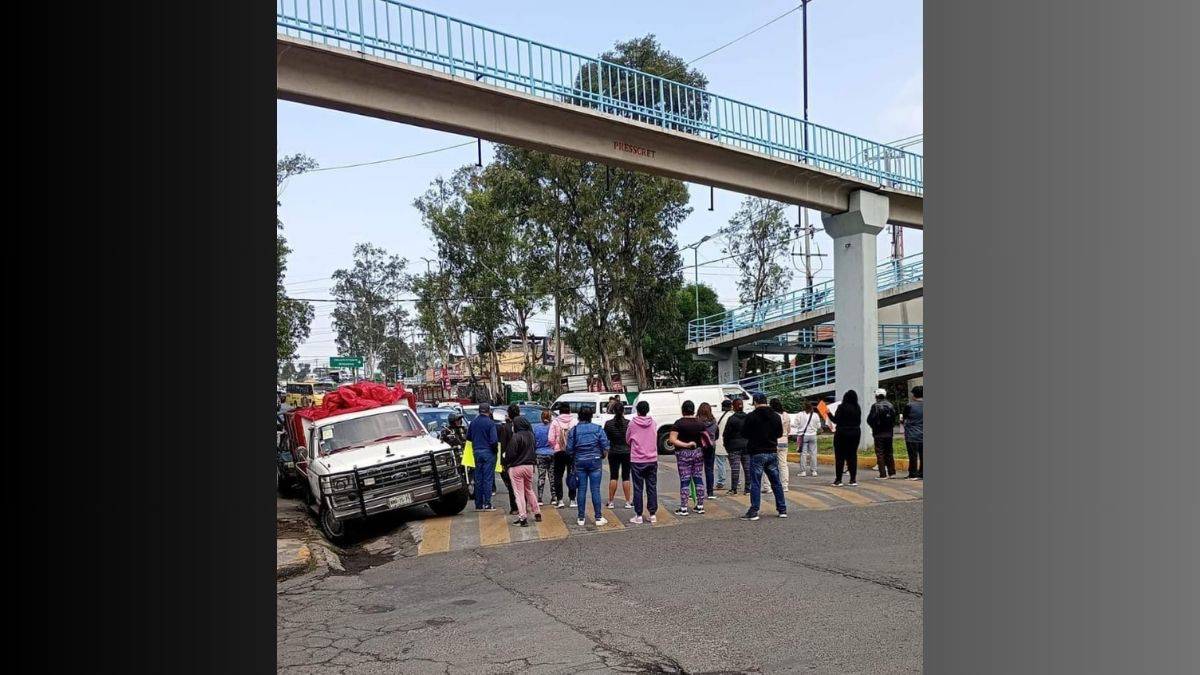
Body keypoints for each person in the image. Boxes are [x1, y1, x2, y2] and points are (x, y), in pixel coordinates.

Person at [738, 392, 787, 520]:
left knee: (755, 482)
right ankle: (782, 509)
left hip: (756, 452)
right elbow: (779, 433)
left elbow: (744, 433)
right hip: (771, 451)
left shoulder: (751, 416)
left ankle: (754, 511)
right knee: (776, 482)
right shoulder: (776, 416)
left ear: (755, 402)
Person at [567, 406, 609, 526]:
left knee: (581, 490)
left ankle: (581, 518)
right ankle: (598, 517)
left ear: (579, 416)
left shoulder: (573, 431)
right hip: (595, 461)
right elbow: (605, 446)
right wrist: (601, 455)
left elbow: (569, 450)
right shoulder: (597, 429)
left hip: (579, 462)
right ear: (591, 416)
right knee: (595, 489)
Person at [669, 400, 707, 516]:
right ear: (693, 410)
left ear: (683, 410)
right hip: (698, 453)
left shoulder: (679, 423)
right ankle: (700, 506)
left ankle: (684, 507)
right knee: (698, 478)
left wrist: (686, 444)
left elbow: (672, 440)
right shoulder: (700, 423)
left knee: (685, 480)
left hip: (683, 454)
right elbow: (705, 438)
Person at [503, 416, 541, 526]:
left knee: (519, 493)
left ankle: (522, 518)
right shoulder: (531, 435)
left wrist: (506, 462)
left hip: (516, 468)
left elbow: (510, 454)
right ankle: (537, 512)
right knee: (529, 490)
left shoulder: (516, 437)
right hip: (529, 466)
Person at [626, 400, 659, 524]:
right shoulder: (653, 423)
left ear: (638, 410)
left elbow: (628, 439)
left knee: (638, 487)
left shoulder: (632, 424)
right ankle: (652, 514)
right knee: (652, 487)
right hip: (652, 458)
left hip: (637, 459)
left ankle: (639, 515)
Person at [466, 403, 499, 510]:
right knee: (488, 479)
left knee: (478, 479)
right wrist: (495, 451)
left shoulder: (473, 423)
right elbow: (494, 440)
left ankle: (478, 504)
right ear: (488, 411)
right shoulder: (490, 423)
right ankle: (487, 503)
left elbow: (469, 437)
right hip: (488, 453)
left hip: (476, 452)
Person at [829, 390, 862, 487]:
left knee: (840, 457)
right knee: (852, 456)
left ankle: (838, 480)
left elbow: (835, 420)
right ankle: (853, 479)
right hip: (855, 433)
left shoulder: (841, 407)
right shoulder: (857, 408)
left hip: (842, 433)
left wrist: (828, 413)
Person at [603, 401, 632, 509]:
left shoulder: (608, 424)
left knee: (613, 476)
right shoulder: (629, 423)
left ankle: (610, 501)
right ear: (623, 410)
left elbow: (606, 439)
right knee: (626, 477)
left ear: (613, 411)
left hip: (614, 451)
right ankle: (628, 501)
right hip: (626, 451)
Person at [548, 402, 578, 508]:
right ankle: (573, 499)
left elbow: (550, 439)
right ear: (569, 411)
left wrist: (555, 446)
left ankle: (560, 500)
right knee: (572, 474)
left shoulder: (555, 422)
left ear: (559, 411)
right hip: (571, 452)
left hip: (559, 451)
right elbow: (577, 437)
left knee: (558, 475)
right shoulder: (574, 421)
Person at [494, 403, 522, 514]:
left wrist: (502, 462)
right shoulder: (524, 425)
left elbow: (503, 445)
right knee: (524, 485)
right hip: (523, 457)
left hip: (511, 460)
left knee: (512, 485)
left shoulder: (505, 428)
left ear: (509, 414)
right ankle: (524, 506)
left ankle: (515, 508)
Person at [867, 388, 898, 479]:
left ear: (876, 396)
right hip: (889, 433)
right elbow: (893, 419)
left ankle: (883, 474)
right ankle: (892, 473)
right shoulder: (890, 405)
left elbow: (870, 419)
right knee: (889, 452)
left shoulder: (875, 406)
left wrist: (874, 427)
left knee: (880, 453)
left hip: (878, 433)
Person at [723, 399, 750, 495]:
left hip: (734, 446)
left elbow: (726, 434)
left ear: (733, 407)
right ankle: (748, 489)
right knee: (747, 468)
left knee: (735, 468)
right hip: (747, 446)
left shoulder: (732, 419)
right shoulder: (748, 418)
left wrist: (726, 445)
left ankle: (734, 489)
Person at [438, 412, 470, 490]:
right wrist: (446, 438)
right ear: (452, 421)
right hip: (454, 455)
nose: (459, 421)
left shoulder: (464, 429)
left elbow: (470, 439)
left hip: (465, 453)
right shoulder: (446, 431)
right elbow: (441, 442)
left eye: (460, 420)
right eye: (457, 420)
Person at [697, 402, 720, 500]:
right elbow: (717, 435)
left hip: (698, 447)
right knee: (709, 469)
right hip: (711, 446)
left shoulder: (697, 422)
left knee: (697, 470)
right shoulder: (714, 422)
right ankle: (710, 492)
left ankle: (697, 492)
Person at [793, 401, 821, 477]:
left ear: (804, 407)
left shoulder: (800, 414)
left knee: (803, 454)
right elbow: (819, 426)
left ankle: (803, 471)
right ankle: (814, 471)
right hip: (813, 436)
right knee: (813, 453)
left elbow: (795, 425)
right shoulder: (815, 415)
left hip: (803, 436)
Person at [768, 398, 791, 493]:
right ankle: (785, 485)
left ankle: (767, 487)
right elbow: (789, 429)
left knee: (769, 464)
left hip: (773, 441)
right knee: (783, 464)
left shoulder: (771, 415)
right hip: (784, 440)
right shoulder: (786, 415)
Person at [902, 385, 924, 480]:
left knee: (913, 455)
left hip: (912, 434)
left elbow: (904, 418)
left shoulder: (909, 405)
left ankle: (913, 473)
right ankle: (922, 473)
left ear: (914, 395)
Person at [534, 409, 556, 503]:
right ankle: (554, 497)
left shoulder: (536, 428)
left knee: (541, 476)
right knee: (552, 476)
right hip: (552, 453)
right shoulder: (552, 427)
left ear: (541, 417)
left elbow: (534, 441)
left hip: (540, 453)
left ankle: (539, 498)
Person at [714, 400, 732, 490]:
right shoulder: (733, 416)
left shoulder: (717, 417)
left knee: (721, 463)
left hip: (720, 442)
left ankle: (721, 481)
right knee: (734, 464)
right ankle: (737, 481)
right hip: (732, 444)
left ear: (723, 406)